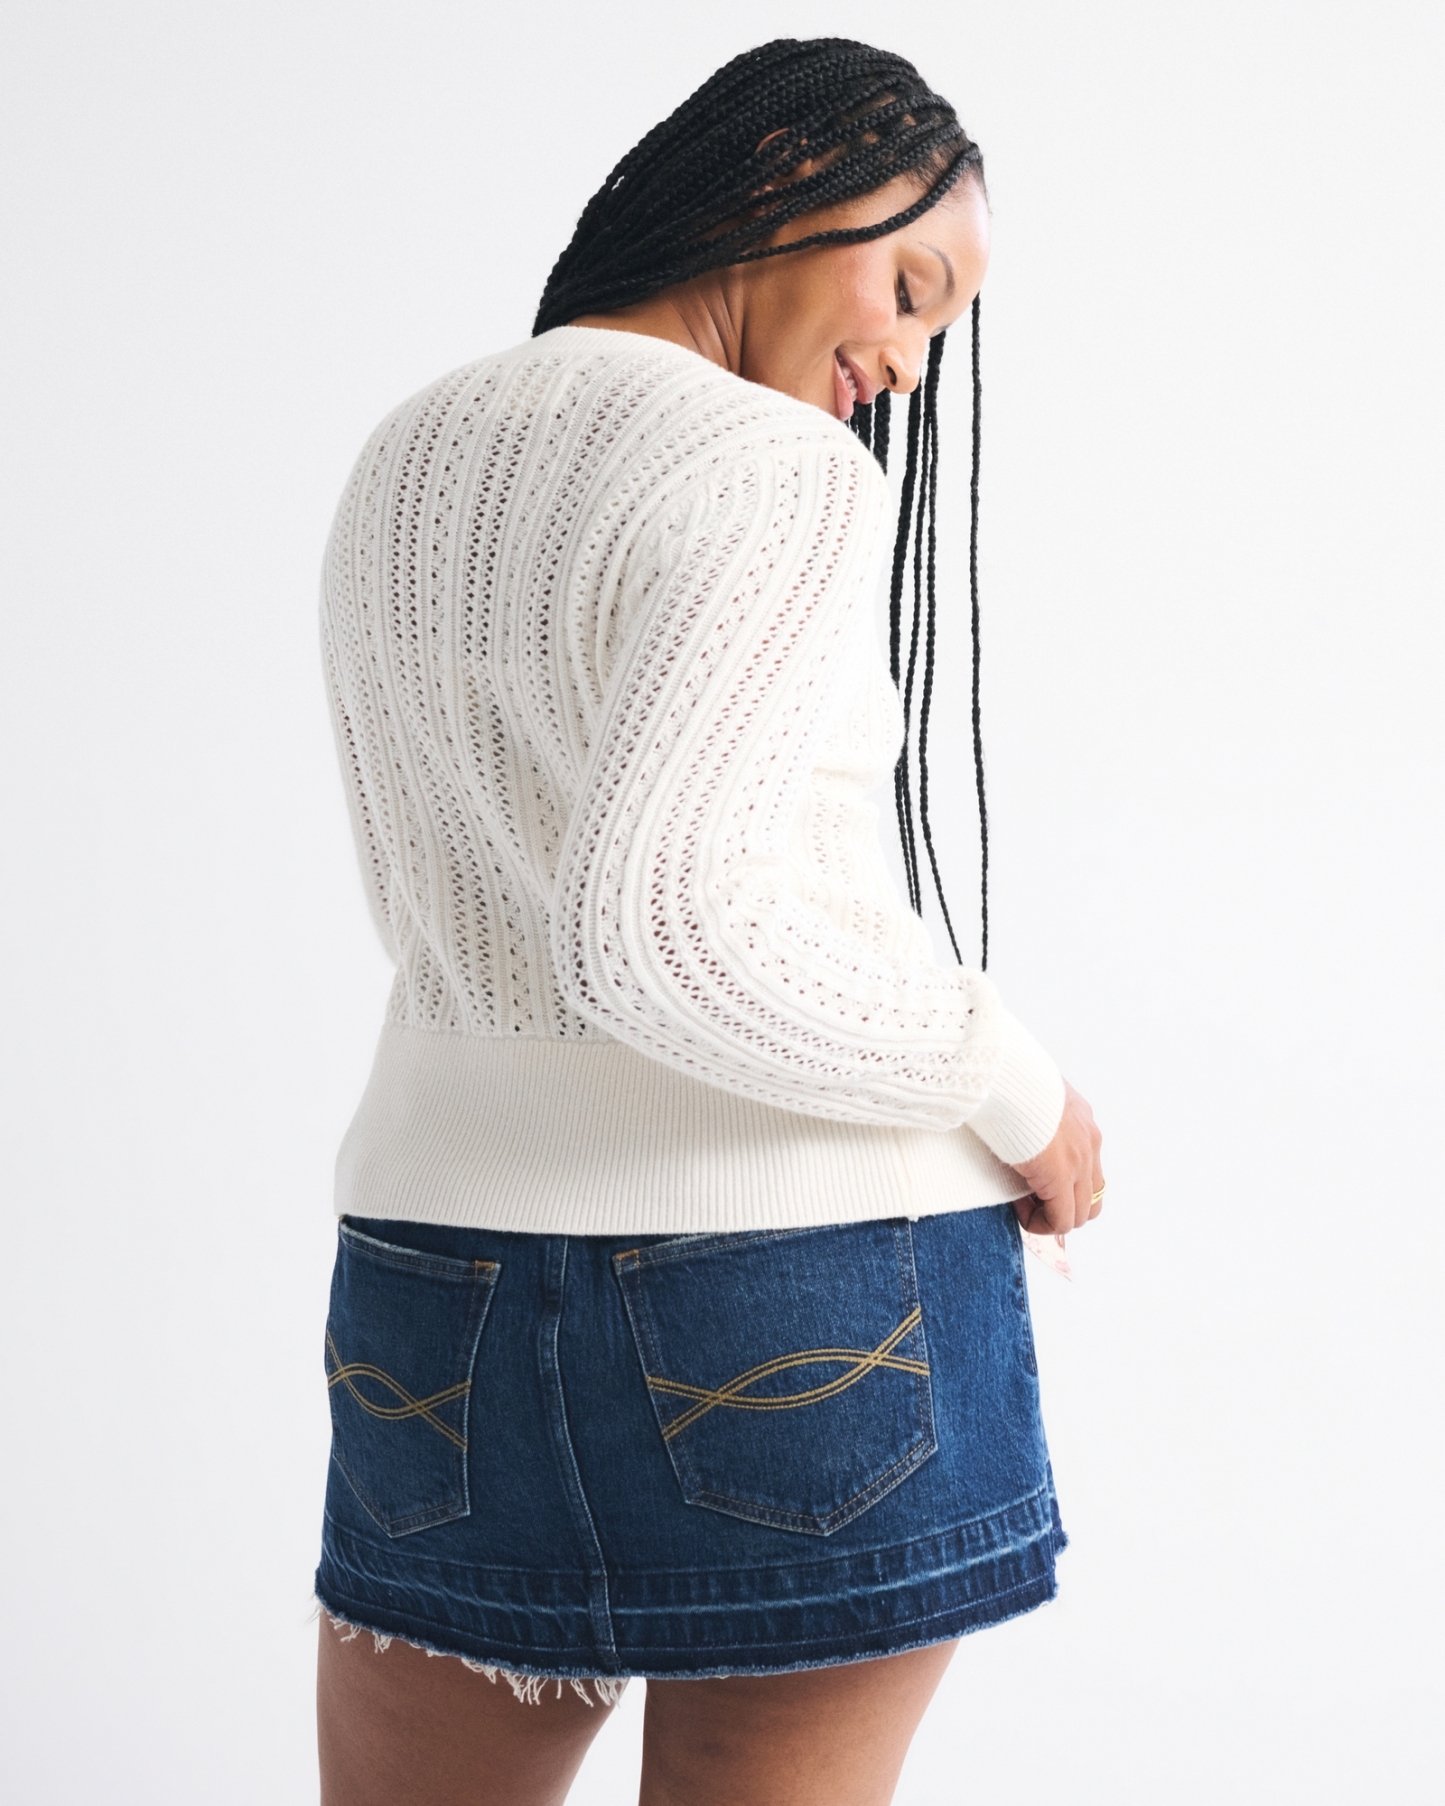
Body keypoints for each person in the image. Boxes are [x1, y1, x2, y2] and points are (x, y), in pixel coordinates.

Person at [314, 36, 1104, 1806]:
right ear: (779, 182)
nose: (907, 365)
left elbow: (449, 906)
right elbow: (665, 936)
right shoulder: (771, 467)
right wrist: (1020, 1089)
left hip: (435, 1284)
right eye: (910, 289)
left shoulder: (411, 451)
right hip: (799, 1281)